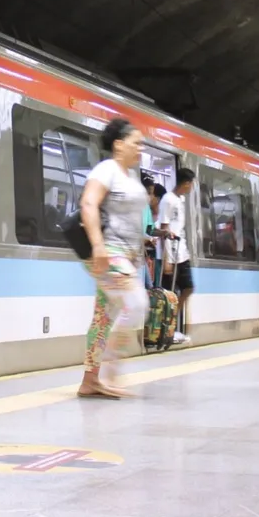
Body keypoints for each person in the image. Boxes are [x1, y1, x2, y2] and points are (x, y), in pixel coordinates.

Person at [76, 118, 150, 400]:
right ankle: (111, 369)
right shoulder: (106, 170)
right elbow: (88, 203)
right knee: (136, 304)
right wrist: (98, 246)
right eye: (137, 143)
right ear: (119, 145)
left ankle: (90, 380)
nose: (140, 149)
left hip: (125, 256)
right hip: (108, 252)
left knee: (103, 318)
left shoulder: (128, 176)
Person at [156, 168, 195, 345]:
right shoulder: (168, 200)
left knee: (188, 287)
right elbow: (164, 229)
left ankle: (171, 324)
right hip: (170, 253)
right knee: (168, 294)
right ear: (186, 183)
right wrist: (166, 260)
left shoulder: (181, 199)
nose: (191, 187)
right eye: (191, 183)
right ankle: (166, 330)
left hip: (182, 252)